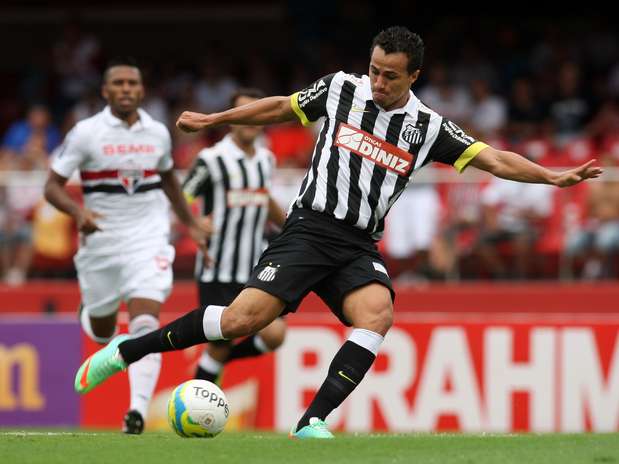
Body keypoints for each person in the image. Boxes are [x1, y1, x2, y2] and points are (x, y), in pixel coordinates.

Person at [73, 27, 602, 439]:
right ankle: (127, 350)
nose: (377, 82)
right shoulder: (341, 89)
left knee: (378, 314)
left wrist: (553, 176)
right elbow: (281, 107)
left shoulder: (429, 127)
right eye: (374, 70)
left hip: (356, 244)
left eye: (390, 76)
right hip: (309, 229)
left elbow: (494, 158)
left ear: (413, 76)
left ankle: (311, 422)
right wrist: (216, 118)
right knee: (239, 322)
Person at [45, 58, 210, 434]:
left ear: (141, 90)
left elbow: (168, 179)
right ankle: (97, 317)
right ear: (105, 91)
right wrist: (77, 211)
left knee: (146, 319)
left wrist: (191, 224)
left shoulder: (157, 133)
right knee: (102, 332)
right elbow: (51, 186)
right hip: (101, 243)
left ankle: (136, 411)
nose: (125, 89)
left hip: (147, 238)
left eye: (131, 83)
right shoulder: (86, 132)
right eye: (117, 83)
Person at [183, 88, 287, 384]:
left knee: (274, 334)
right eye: (243, 113)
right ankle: (198, 392)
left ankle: (204, 373)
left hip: (254, 268)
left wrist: (292, 226)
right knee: (219, 342)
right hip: (218, 267)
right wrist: (193, 222)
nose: (249, 120)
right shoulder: (212, 159)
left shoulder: (266, 159)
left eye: (255, 113)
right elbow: (183, 195)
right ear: (232, 119)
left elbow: (263, 198)